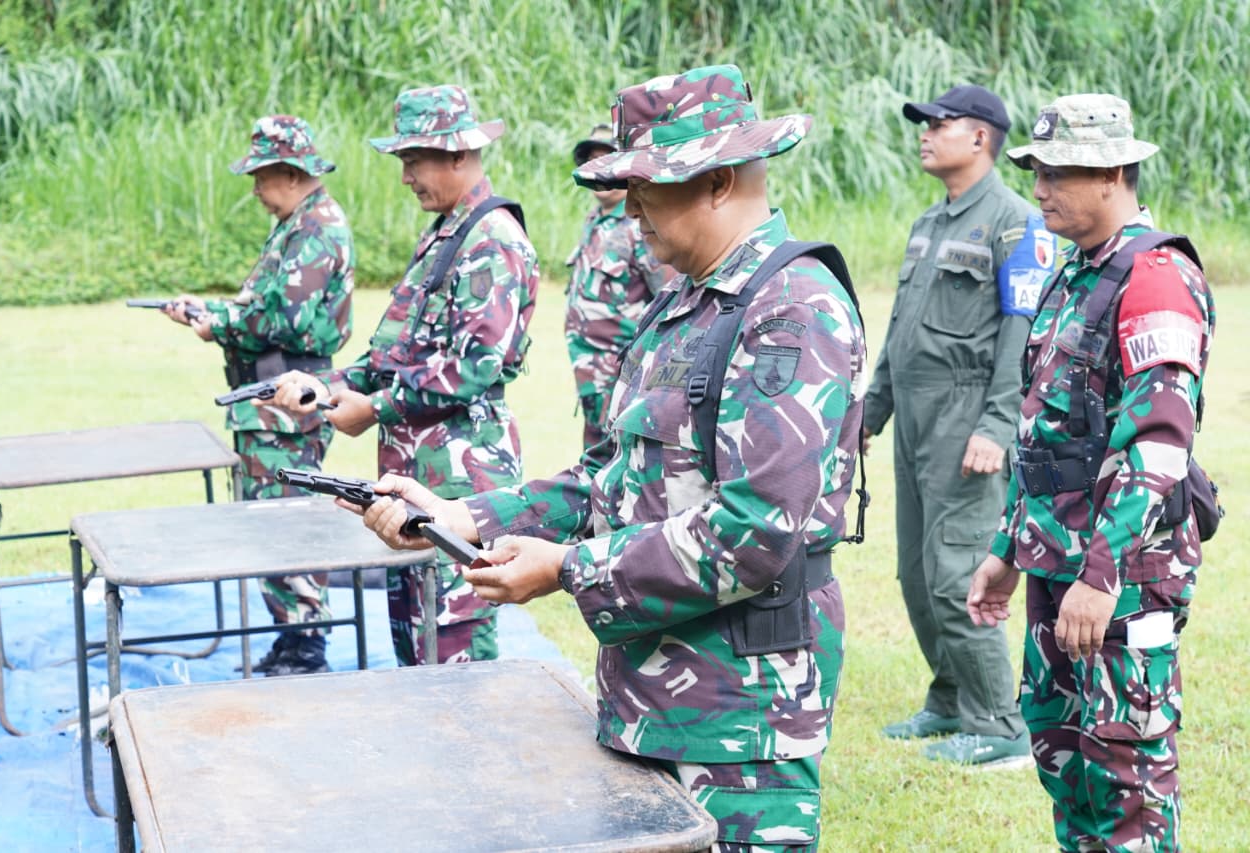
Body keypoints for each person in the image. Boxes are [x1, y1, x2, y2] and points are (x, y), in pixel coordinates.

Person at [352, 65, 866, 851]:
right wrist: (461, 514)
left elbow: (753, 534)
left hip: (739, 719)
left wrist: (566, 569)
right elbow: (608, 477)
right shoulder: (687, 304)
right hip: (656, 695)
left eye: (645, 187)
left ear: (719, 180)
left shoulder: (792, 311)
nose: (627, 209)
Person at [967, 94, 1214, 851]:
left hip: (1119, 577)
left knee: (1125, 783)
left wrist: (1102, 575)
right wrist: (1011, 551)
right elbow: (1046, 430)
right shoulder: (1076, 273)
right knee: (1066, 763)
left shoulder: (1156, 277)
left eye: (1057, 173)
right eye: (1036, 171)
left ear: (1112, 173)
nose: (1039, 188)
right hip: (1057, 568)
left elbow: (1159, 444)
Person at [269, 85, 538, 666]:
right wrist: (329, 386)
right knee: (414, 642)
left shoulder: (492, 242)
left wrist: (377, 408)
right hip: (411, 476)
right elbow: (393, 354)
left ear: (459, 156)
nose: (405, 177)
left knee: (456, 652)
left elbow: (476, 365)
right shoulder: (446, 234)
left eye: (414, 161)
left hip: (460, 480)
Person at [864, 85, 1054, 765]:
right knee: (917, 571)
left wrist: (998, 424)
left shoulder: (1015, 222)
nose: (925, 133)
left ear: (980, 138)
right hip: (916, 410)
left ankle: (1002, 724)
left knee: (957, 568)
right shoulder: (930, 222)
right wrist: (873, 408)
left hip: (967, 412)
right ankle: (949, 697)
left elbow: (1021, 335)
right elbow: (900, 329)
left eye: (939, 124)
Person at [163, 115, 354, 675]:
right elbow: (266, 303)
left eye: (261, 178)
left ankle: (305, 643)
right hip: (271, 400)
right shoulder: (298, 223)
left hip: (287, 405)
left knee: (285, 522)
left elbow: (284, 317)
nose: (255, 191)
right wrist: (215, 312)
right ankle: (292, 635)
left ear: (289, 174)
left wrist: (216, 322)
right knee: (270, 520)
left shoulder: (316, 227)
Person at [564, 122, 671, 453]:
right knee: (594, 455)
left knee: (618, 455)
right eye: (593, 161)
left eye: (608, 160)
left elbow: (667, 298)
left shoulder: (639, 228)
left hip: (621, 369)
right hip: (589, 369)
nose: (601, 171)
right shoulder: (593, 220)